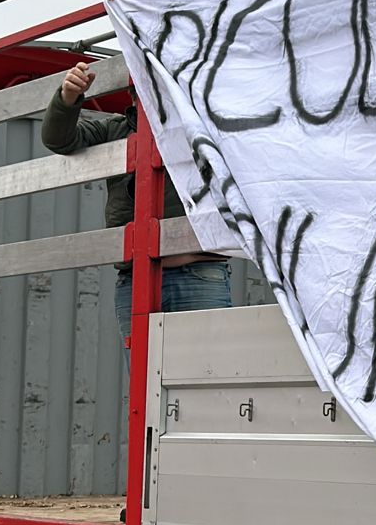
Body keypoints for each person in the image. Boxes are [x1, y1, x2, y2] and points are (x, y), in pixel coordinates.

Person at [43, 60, 236, 364]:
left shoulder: (197, 123)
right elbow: (58, 138)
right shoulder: (115, 130)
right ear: (132, 93)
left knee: (208, 384)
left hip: (199, 272)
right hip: (135, 279)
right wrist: (68, 98)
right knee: (147, 393)